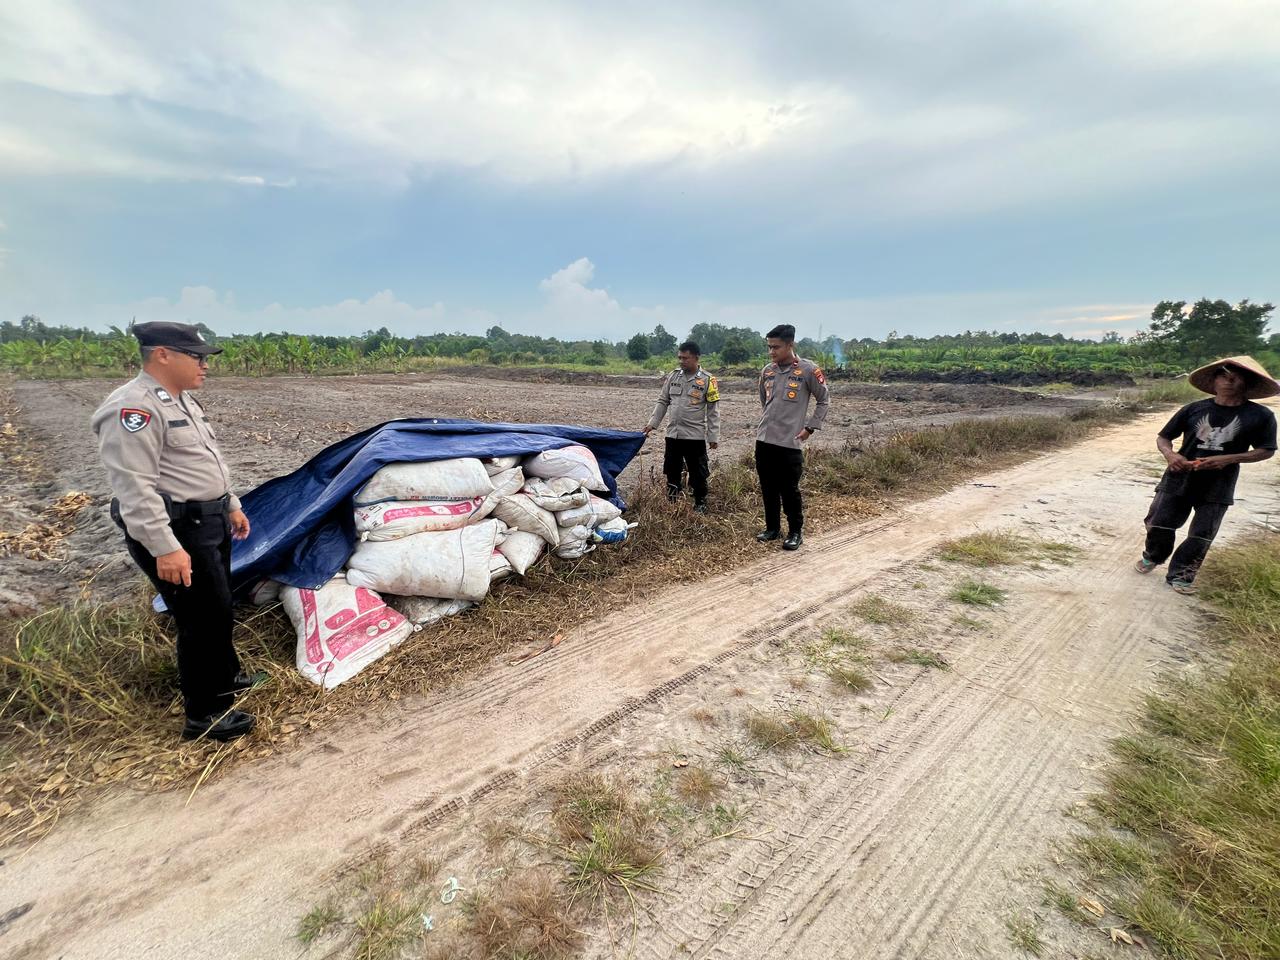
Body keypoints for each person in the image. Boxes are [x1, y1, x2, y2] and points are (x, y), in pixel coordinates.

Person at [91, 321, 258, 742]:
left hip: (208, 521)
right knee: (199, 618)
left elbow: (202, 463)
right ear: (162, 354)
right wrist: (165, 548)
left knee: (218, 607)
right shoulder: (134, 408)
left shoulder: (180, 402)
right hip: (177, 528)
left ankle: (226, 676)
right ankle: (205, 715)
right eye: (197, 357)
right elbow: (134, 487)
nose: (205, 365)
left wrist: (231, 505)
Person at [1135, 355, 1277, 593]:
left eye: (1236, 377)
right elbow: (1163, 437)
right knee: (1159, 523)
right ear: (1213, 381)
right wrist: (1171, 456)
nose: (1229, 380)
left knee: (1202, 533)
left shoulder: (1261, 416)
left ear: (1248, 384)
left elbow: (1266, 451)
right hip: (1179, 476)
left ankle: (1182, 575)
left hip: (1219, 483)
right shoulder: (1194, 409)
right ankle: (1154, 555)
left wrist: (1228, 459)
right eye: (1223, 375)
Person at [754, 324, 830, 550]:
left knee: (789, 489)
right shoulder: (767, 371)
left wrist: (810, 428)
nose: (771, 352)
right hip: (764, 440)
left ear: (790, 345)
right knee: (767, 487)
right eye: (769, 347)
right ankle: (772, 528)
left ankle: (795, 531)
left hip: (790, 443)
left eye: (776, 347)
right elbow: (764, 401)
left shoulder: (808, 370)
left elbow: (824, 400)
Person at [643, 341, 721, 513]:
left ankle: (700, 502)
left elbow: (713, 411)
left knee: (698, 470)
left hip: (694, 436)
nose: (681, 361)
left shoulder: (708, 380)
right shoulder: (673, 376)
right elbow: (663, 401)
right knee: (671, 468)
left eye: (685, 358)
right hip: (673, 434)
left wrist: (713, 436)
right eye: (679, 357)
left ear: (696, 358)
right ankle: (672, 500)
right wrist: (652, 424)